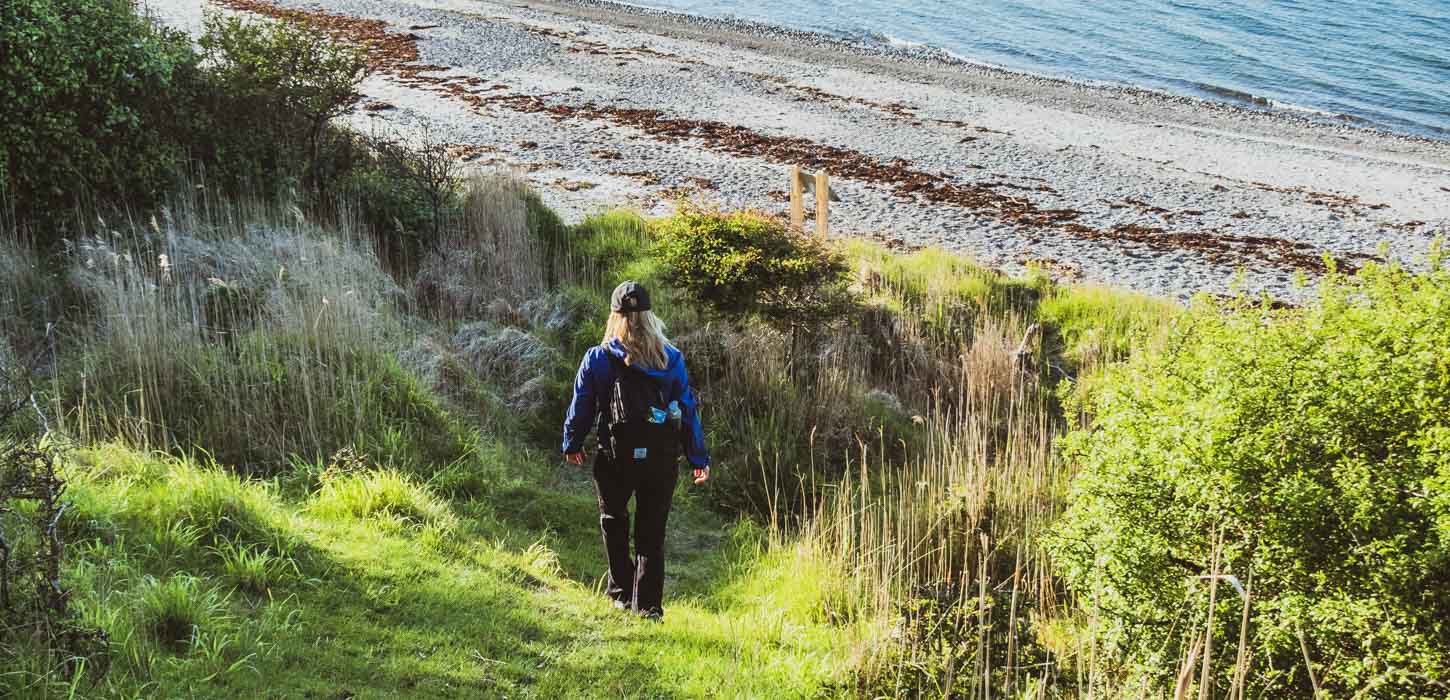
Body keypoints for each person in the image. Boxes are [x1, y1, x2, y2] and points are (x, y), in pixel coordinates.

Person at [562, 281, 710, 620]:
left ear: (615, 316)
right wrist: (698, 458)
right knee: (651, 531)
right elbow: (686, 409)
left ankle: (620, 594)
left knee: (613, 521)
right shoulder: (670, 358)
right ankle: (648, 607)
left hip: (615, 456)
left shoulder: (598, 358)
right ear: (648, 315)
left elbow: (582, 405)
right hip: (660, 459)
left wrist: (572, 442)